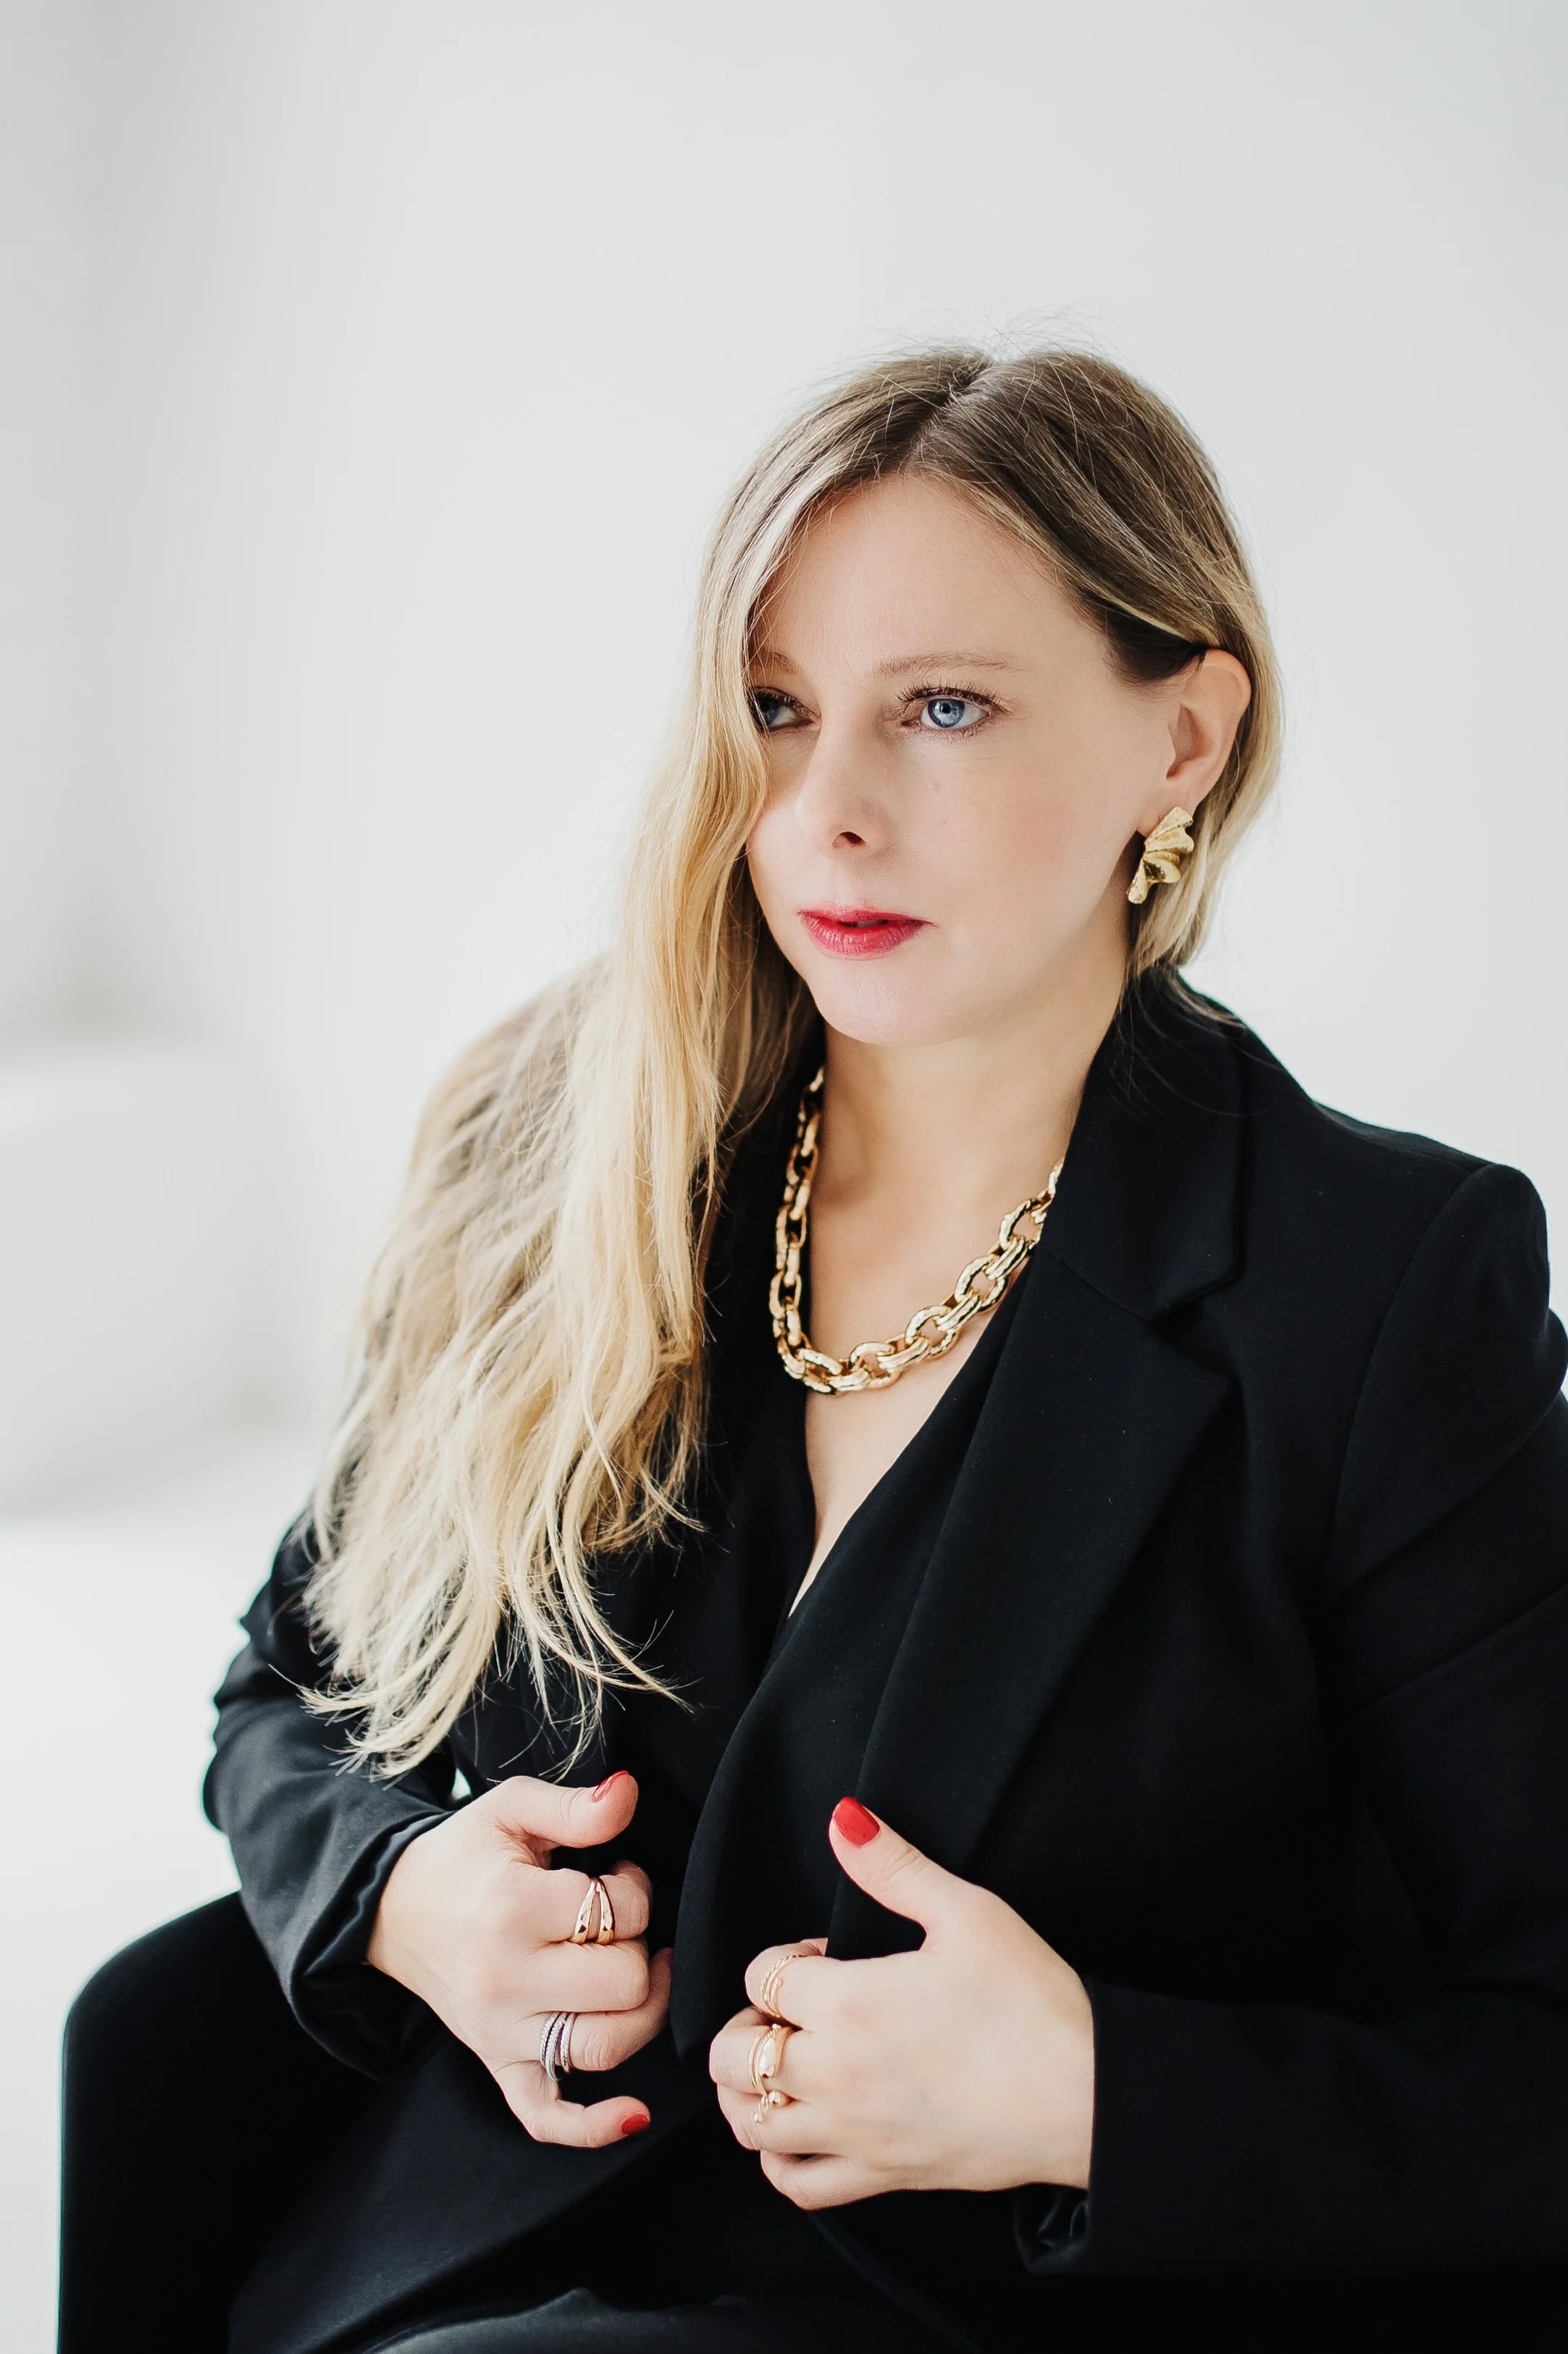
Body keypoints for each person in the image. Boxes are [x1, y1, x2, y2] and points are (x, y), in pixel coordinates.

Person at [61, 350, 1568, 2353]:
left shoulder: (1379, 1289)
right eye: (772, 711)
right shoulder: (575, 1135)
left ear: (1184, 737)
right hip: (455, 2246)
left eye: (943, 709)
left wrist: (1090, 2093)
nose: (828, 815)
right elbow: (291, 1686)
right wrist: (403, 1900)